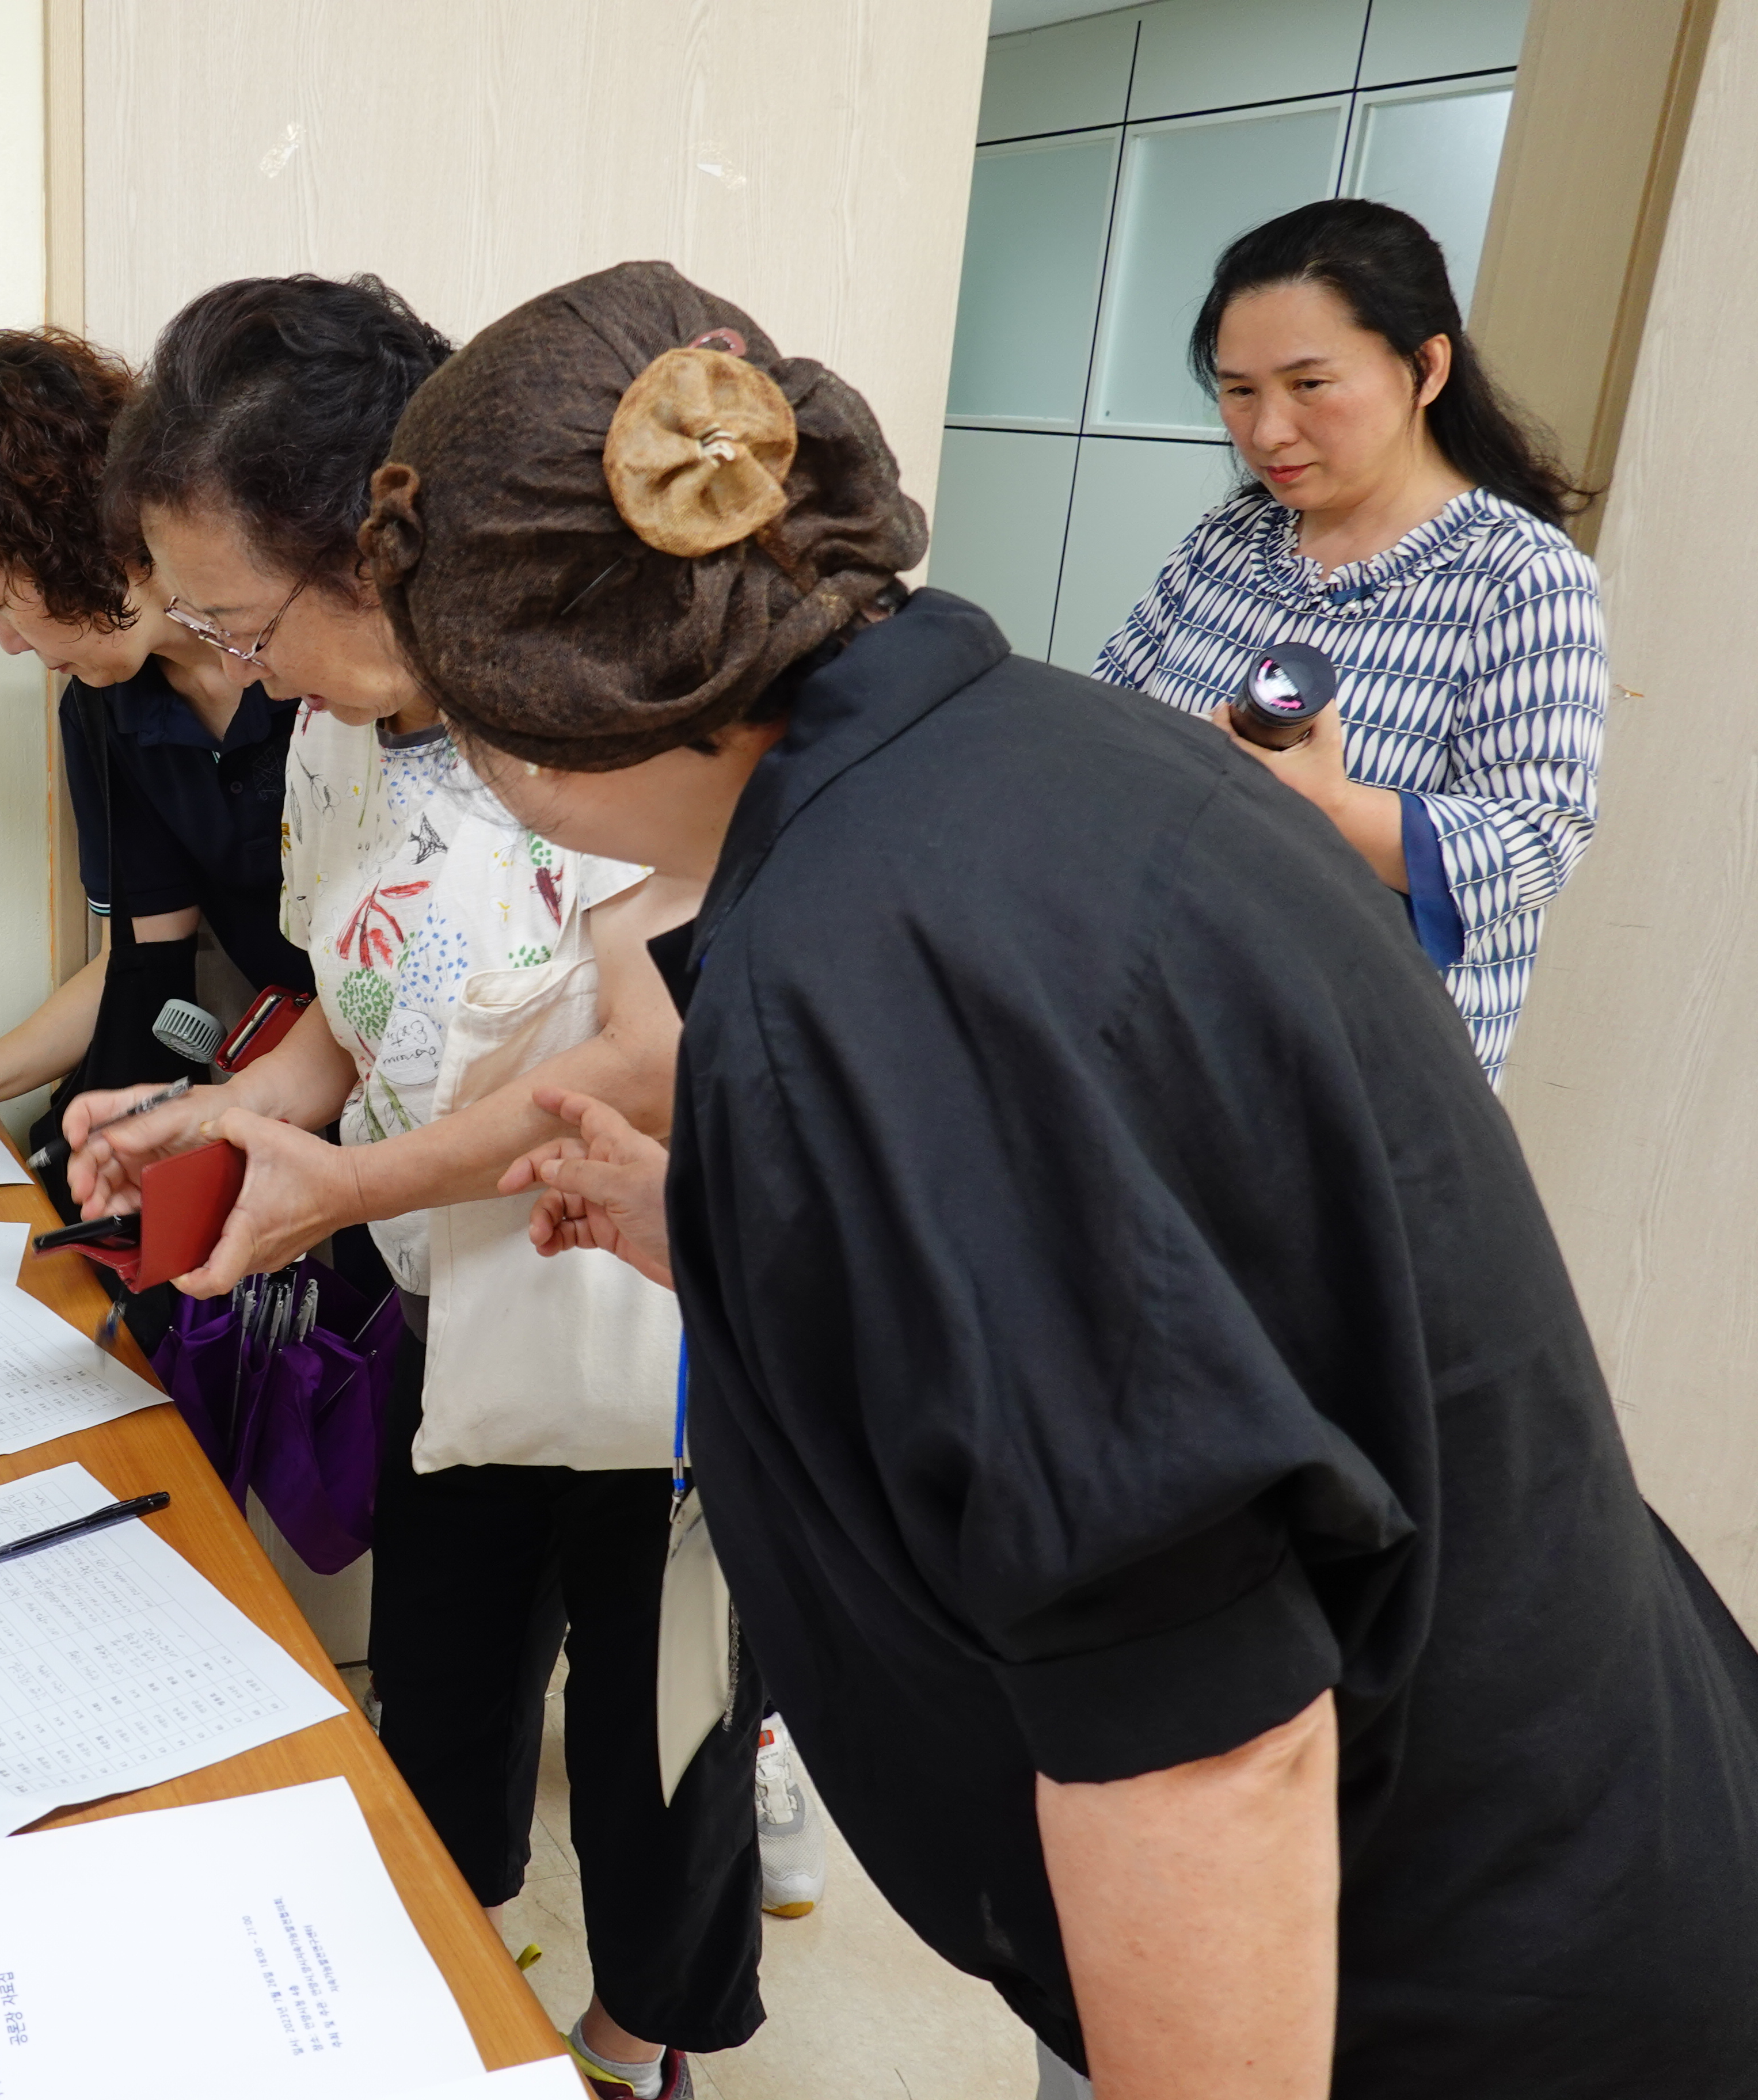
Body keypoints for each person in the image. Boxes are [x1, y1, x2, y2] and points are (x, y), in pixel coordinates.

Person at [370, 259, 1758, 2098]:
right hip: (1586, 1776)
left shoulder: (863, 965)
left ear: (535, 716)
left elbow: (1205, 1744)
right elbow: (1112, 1302)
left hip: (1438, 1971)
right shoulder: (1027, 742)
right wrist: (718, 1226)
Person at [64, 274, 778, 2100]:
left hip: (639, 1318)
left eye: (239, 617)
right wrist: (230, 1118)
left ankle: (633, 2045)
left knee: (657, 1736)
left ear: (369, 553)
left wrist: (343, 1178)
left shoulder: (599, 718)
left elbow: (640, 1062)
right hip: (445, 1306)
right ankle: (446, 1996)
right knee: (446, 1694)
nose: (235, 663)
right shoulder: (330, 731)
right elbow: (342, 991)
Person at [1097, 199, 1607, 1086]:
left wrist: (1330, 808)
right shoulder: (1231, 538)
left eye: (1309, 385)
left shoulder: (1521, 575)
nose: (1267, 432)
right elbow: (1112, 710)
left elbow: (1534, 845)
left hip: (1352, 1064)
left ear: (1426, 367)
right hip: (1173, 1015)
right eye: (1239, 390)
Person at [0, 329, 306, 1177]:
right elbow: (142, 962)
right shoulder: (105, 705)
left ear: (67, 541)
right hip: (290, 1079)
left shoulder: (317, 666)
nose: (8, 643)